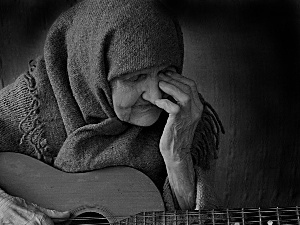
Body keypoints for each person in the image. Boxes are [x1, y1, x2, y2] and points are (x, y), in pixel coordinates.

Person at [0, 0, 224, 224]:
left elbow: (198, 219)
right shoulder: (32, 104)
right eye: (136, 77)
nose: (156, 97)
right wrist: (4, 206)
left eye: (166, 72)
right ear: (93, 71)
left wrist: (179, 156)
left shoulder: (181, 114)